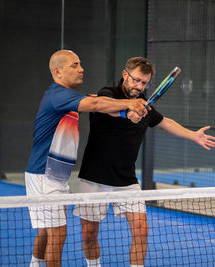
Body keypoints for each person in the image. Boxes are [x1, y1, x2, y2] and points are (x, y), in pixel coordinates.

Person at [74, 57, 215, 267]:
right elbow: (103, 106)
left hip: (126, 179)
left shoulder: (145, 106)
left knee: (141, 229)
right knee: (89, 233)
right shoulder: (107, 93)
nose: (139, 86)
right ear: (125, 75)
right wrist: (127, 112)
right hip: (94, 176)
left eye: (144, 83)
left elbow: (164, 122)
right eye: (136, 80)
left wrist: (193, 135)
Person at [25, 50, 148, 267]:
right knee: (57, 234)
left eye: (80, 64)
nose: (81, 69)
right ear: (58, 71)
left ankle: (34, 264)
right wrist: (128, 104)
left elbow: (99, 104)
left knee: (46, 228)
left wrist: (124, 113)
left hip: (56, 175)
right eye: (74, 65)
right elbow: (97, 105)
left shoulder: (70, 98)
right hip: (44, 174)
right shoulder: (58, 96)